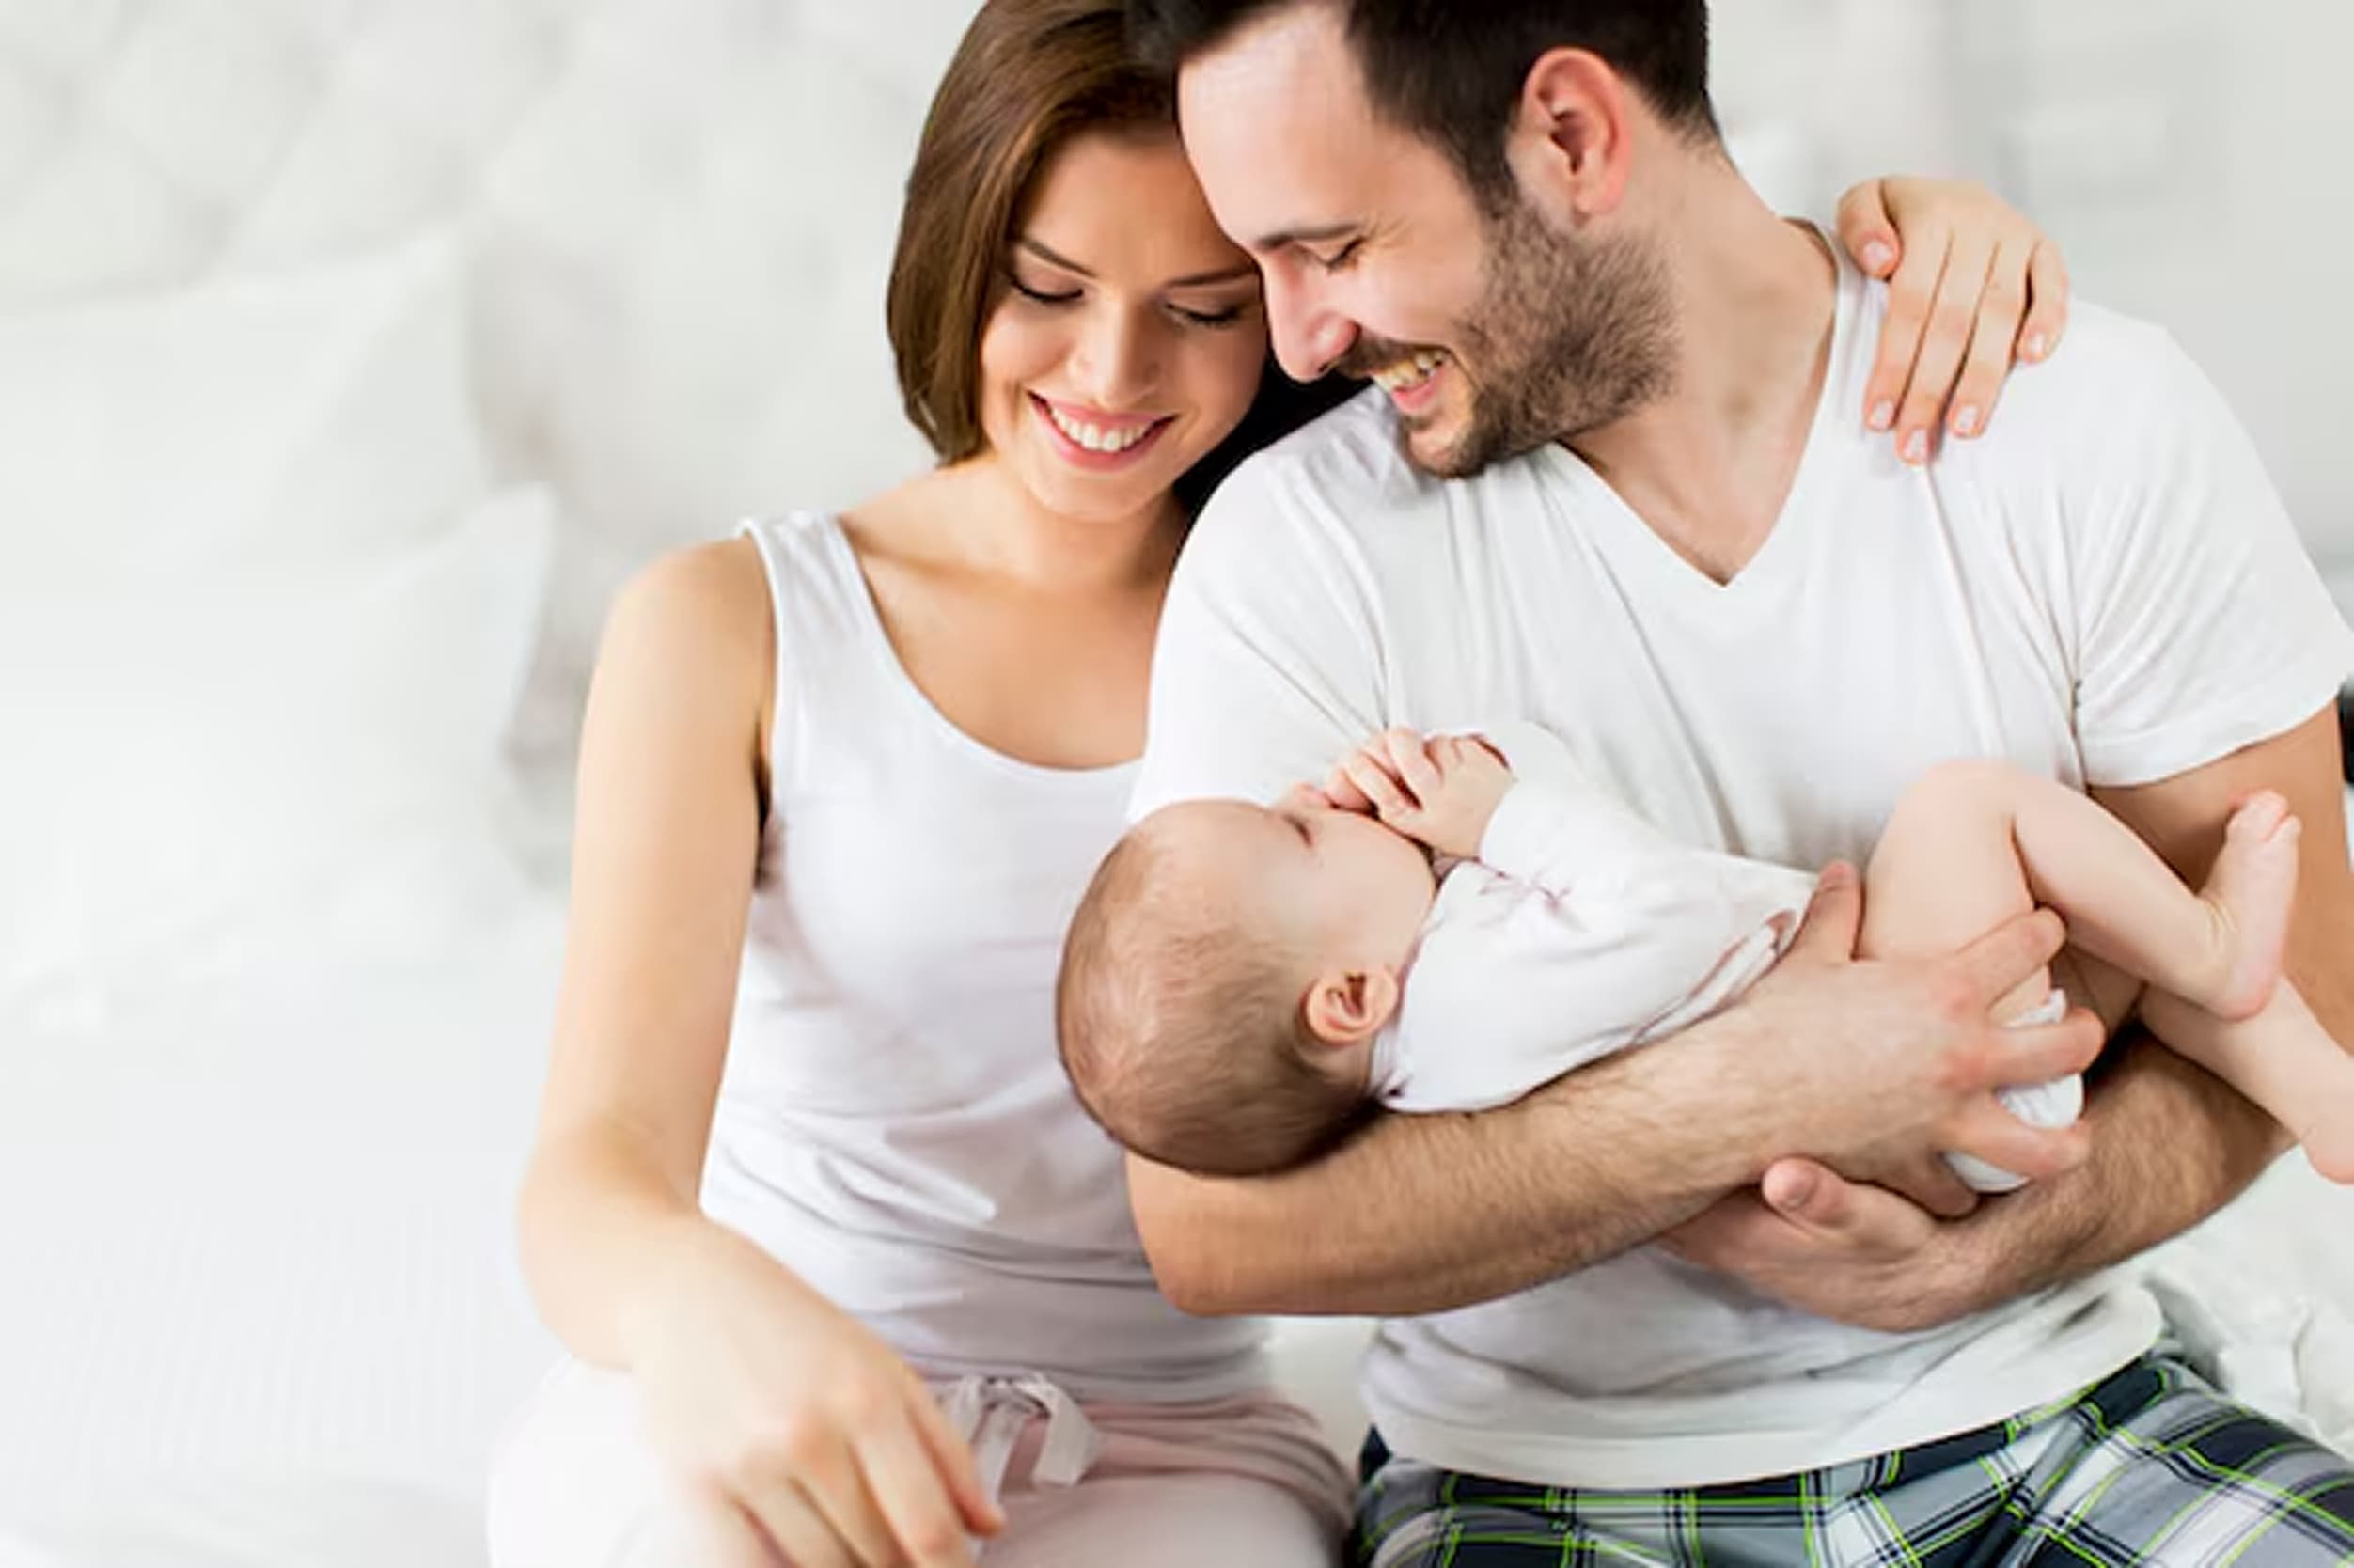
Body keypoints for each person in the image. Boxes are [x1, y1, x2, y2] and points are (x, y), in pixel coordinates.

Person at [481, 0, 2076, 1561]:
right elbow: (593, 1172)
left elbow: (1662, 296)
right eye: (1047, 287)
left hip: (1164, 1441)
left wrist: (1909, 233)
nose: (1110, 374)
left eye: (1203, 303)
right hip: (765, 1383)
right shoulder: (735, 627)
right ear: (954, 250)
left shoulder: (1336, 587)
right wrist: (702, 1309)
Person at [1117, 1, 2354, 1562]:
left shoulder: (2080, 419)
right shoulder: (1298, 554)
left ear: (1571, 134)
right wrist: (1753, 1094)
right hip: (1542, 1487)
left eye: (1335, 245)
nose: (1294, 342)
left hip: (2059, 1417)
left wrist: (1976, 1257)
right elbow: (1206, 1225)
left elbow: (2299, 988)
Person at [1062, 719, 2354, 1191]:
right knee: (1969, 804)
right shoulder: (1470, 999)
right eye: (1296, 830)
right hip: (1920, 1095)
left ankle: (2310, 1088)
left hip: (1914, 1081)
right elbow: (1664, 910)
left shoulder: (1442, 1013)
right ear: (1349, 997)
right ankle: (2220, 948)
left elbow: (1589, 860)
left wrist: (1486, 802)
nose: (1311, 793)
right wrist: (1493, 817)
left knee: (2103, 950)